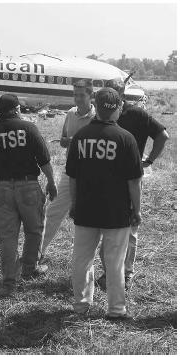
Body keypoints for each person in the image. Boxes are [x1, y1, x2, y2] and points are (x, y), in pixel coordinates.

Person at [66, 87, 143, 320]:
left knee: (82, 259)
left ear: (96, 107)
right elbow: (134, 182)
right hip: (116, 212)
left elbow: (73, 177)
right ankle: (116, 309)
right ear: (118, 108)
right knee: (115, 262)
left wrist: (74, 203)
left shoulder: (80, 137)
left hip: (86, 209)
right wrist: (136, 210)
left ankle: (81, 305)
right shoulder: (126, 138)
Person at [0, 93, 57, 297]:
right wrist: (52, 182)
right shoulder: (29, 128)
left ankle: (9, 283)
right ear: (17, 109)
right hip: (28, 186)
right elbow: (44, 160)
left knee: (7, 237)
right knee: (34, 230)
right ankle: (30, 268)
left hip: (1, 189)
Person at [96, 79, 169, 290]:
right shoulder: (113, 115)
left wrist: (149, 161)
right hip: (115, 180)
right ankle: (114, 272)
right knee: (114, 227)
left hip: (124, 180)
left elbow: (163, 136)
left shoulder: (135, 114)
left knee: (127, 226)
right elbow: (162, 136)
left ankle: (125, 274)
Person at [41, 79, 96, 259]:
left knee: (89, 217)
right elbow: (63, 141)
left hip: (91, 175)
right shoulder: (71, 114)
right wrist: (69, 141)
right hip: (70, 171)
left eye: (81, 95)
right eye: (75, 95)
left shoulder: (97, 117)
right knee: (53, 212)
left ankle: (85, 260)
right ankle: (36, 253)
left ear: (91, 96)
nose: (77, 99)